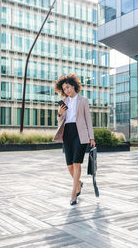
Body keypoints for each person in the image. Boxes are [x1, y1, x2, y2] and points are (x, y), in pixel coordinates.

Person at [54, 74, 95, 205]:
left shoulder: (83, 101)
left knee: (77, 163)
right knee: (69, 166)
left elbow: (88, 119)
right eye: (64, 89)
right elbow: (60, 120)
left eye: (68, 87)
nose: (66, 91)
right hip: (68, 132)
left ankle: (73, 194)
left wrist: (91, 137)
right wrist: (59, 113)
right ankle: (79, 183)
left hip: (80, 133)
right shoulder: (64, 102)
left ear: (74, 86)